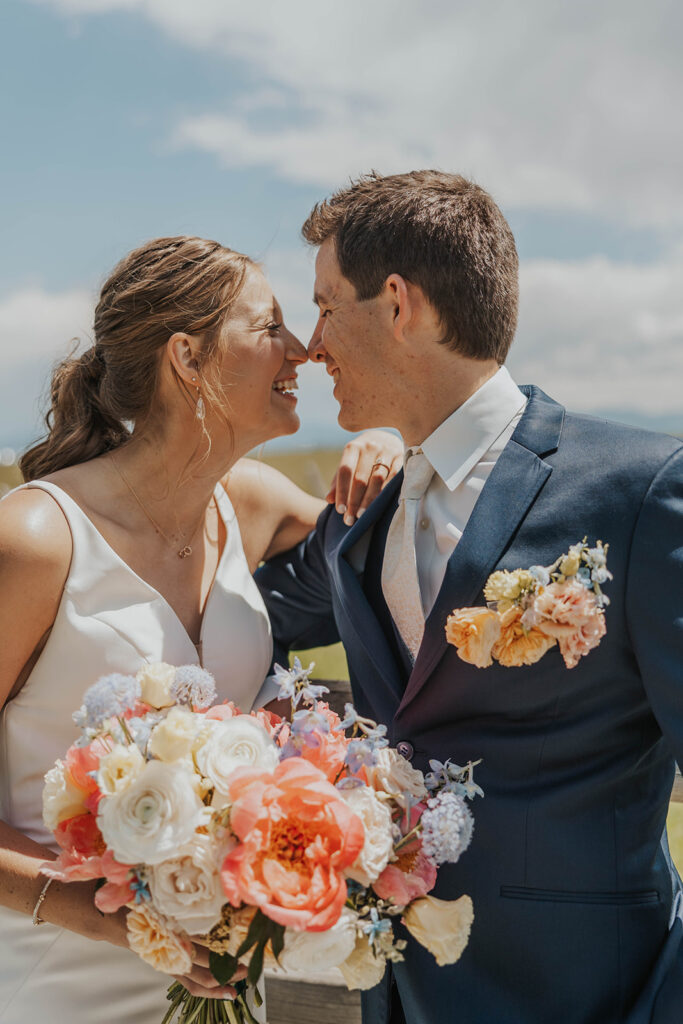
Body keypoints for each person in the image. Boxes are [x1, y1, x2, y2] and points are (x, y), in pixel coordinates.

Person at [256, 171, 683, 1024]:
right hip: (397, 995)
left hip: (596, 996)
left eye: (324, 307)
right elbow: (226, 613)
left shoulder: (639, 492)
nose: (310, 345)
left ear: (398, 304)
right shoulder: (355, 521)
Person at [0, 234, 402, 1024]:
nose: (303, 350)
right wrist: (90, 911)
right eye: (271, 327)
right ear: (187, 356)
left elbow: (388, 531)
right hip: (51, 975)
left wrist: (388, 440)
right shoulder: (34, 539)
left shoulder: (246, 500)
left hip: (217, 980)